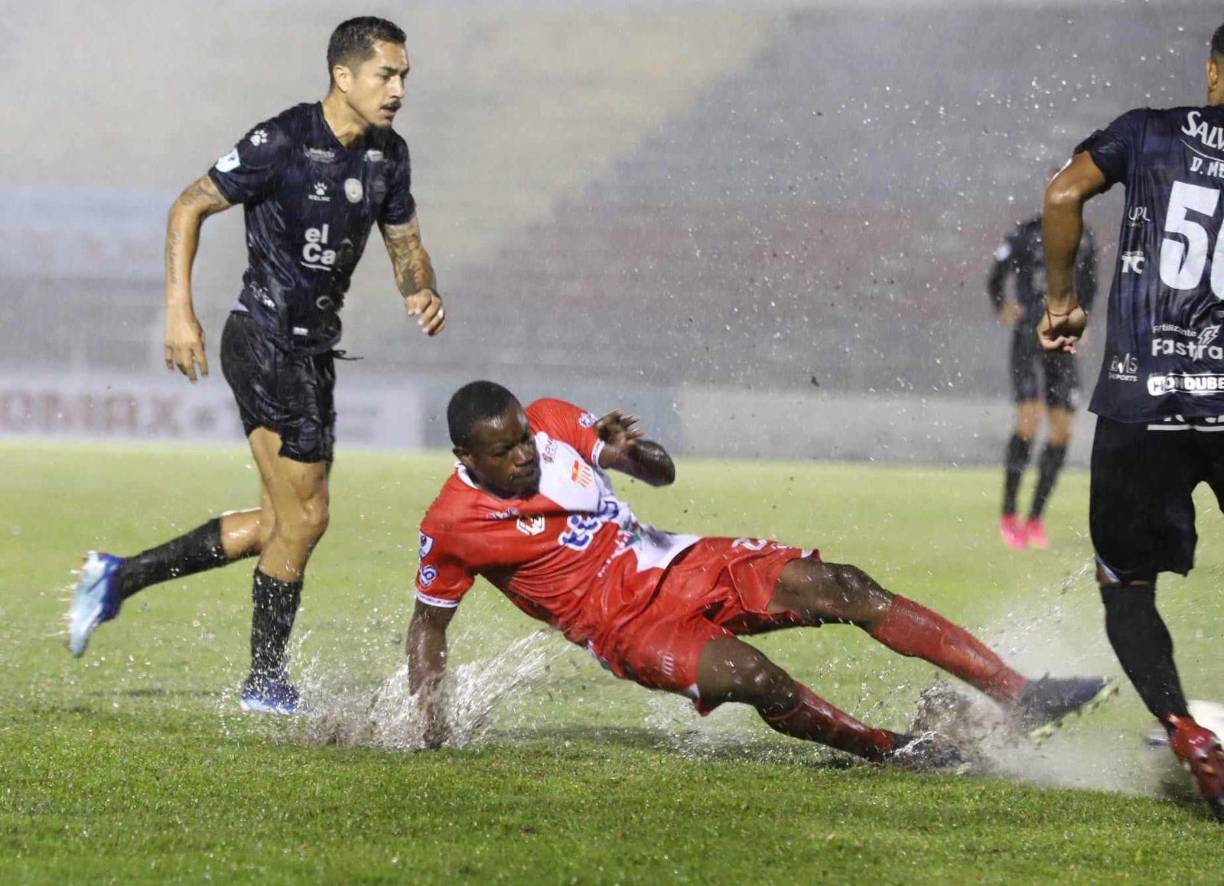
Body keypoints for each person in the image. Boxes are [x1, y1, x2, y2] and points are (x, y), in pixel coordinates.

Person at [406, 381, 1113, 765]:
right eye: (504, 451)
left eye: (524, 440)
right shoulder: (451, 524)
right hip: (625, 626)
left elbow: (660, 473)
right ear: (466, 456)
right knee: (755, 678)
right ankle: (888, 751)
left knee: (847, 587)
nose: (524, 455)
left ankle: (1021, 694)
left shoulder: (553, 421)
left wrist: (631, 452)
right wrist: (431, 727)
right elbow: (427, 628)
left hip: (681, 559)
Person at [65, 17, 445, 714]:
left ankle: (117, 578)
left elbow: (404, 243)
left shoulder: (389, 156)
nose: (398, 90)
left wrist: (419, 287)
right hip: (264, 337)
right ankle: (265, 682)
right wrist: (179, 311)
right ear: (344, 76)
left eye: (403, 77)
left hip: (314, 351)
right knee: (307, 519)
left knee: (282, 522)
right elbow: (189, 206)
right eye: (386, 75)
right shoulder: (284, 140)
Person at [1038, 23, 1224, 821]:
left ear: (1214, 72)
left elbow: (1061, 194)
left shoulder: (1148, 130)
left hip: (1140, 399)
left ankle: (1187, 732)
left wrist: (1061, 301)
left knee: (1127, 585)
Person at [987, 209, 1097, 549]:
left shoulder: (1084, 236)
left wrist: (1083, 320)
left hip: (1062, 332)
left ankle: (1035, 518)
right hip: (1028, 333)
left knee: (1062, 429)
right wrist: (1002, 305)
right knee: (1029, 419)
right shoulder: (1025, 232)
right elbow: (996, 274)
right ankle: (1009, 513)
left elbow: (1090, 284)